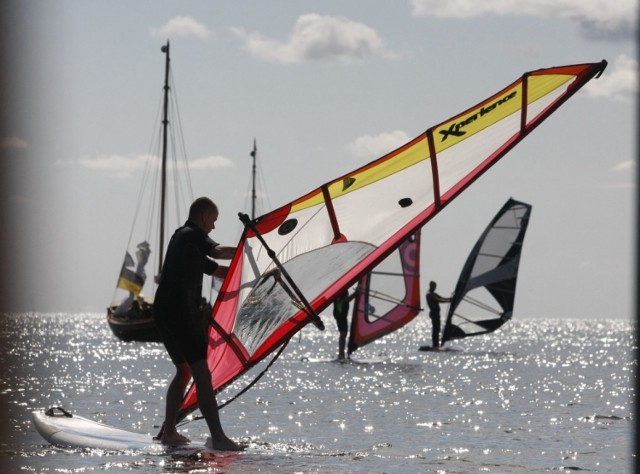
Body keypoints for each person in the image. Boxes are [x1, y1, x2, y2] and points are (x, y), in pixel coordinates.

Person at [153, 197, 243, 451]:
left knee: (184, 371)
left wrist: (249, 271)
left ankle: (169, 433)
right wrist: (247, 250)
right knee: (202, 372)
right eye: (213, 221)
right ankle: (218, 437)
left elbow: (216, 269)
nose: (213, 227)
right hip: (180, 312)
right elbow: (218, 252)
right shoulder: (191, 234)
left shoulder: (183, 240)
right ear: (203, 217)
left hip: (163, 311)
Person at [425, 281, 451, 350]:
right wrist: (449, 301)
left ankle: (436, 344)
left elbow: (442, 298)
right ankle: (435, 345)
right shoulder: (429, 294)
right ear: (430, 286)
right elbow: (438, 300)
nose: (434, 287)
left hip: (437, 314)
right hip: (434, 314)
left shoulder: (434, 293)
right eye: (433, 286)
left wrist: (450, 299)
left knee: (437, 329)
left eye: (435, 286)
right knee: (436, 329)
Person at [332, 290, 355, 360]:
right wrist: (356, 293)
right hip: (340, 316)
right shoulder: (339, 297)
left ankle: (341, 354)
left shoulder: (341, 295)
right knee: (343, 334)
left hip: (341, 316)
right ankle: (341, 354)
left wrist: (355, 293)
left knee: (343, 334)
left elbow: (347, 299)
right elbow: (346, 299)